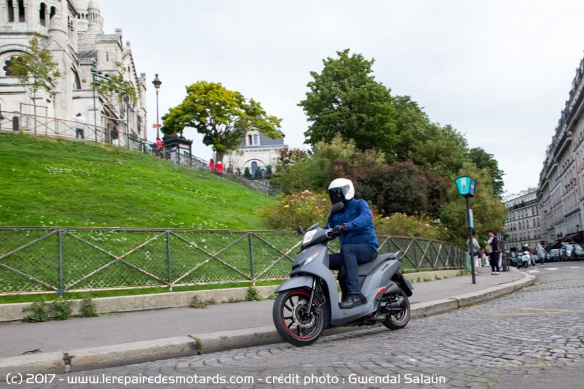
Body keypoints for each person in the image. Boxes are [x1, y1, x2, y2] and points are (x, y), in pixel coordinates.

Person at [326, 178, 378, 309]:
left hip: (367, 248)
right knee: (322, 259)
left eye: (338, 192)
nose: (335, 196)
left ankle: (355, 295)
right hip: (348, 252)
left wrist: (346, 226)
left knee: (347, 249)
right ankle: (322, 301)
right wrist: (311, 233)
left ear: (347, 191)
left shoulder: (360, 204)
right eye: (332, 193)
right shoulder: (335, 213)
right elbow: (326, 229)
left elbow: (366, 217)